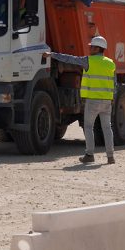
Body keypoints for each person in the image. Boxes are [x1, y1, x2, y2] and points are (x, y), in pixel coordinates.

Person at [43, 36, 116, 164]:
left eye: (92, 46)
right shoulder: (110, 63)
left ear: (98, 48)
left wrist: (52, 55)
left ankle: (89, 154)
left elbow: (69, 59)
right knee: (107, 128)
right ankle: (110, 157)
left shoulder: (89, 61)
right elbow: (114, 83)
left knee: (88, 127)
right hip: (106, 102)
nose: (90, 48)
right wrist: (112, 98)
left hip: (93, 101)